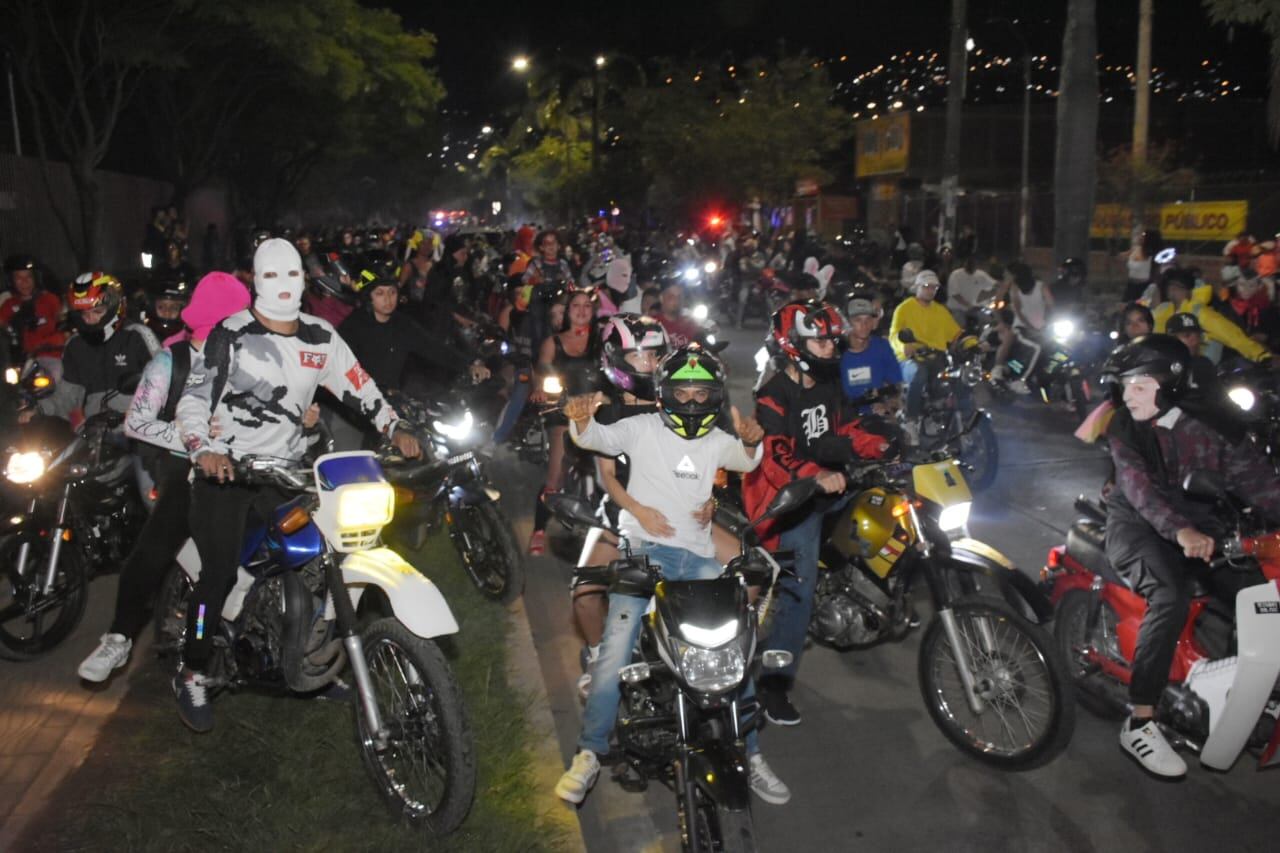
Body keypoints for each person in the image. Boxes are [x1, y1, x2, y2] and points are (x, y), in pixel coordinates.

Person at [172, 239, 420, 732]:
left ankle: (313, 661)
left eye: (292, 277)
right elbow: (193, 399)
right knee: (218, 571)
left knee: (324, 556)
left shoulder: (320, 336)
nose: (283, 287)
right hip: (227, 474)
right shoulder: (231, 333)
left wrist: (396, 427)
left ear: (304, 283)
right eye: (271, 277)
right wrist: (205, 449)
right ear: (256, 282)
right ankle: (193, 669)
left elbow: (359, 385)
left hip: (285, 471)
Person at [554, 345, 791, 807]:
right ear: (663, 393)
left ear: (715, 396)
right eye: (681, 391)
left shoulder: (716, 439)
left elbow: (746, 461)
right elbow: (592, 440)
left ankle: (751, 752)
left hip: (696, 557)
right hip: (643, 556)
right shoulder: (639, 428)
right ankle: (588, 752)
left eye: (701, 393)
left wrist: (748, 438)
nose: (691, 402)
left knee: (733, 647)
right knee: (613, 654)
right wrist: (581, 418)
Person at [1101, 334, 1280, 777]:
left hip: (1206, 531)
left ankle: (1256, 694)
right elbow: (1138, 488)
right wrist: (1179, 529)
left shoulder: (1215, 424)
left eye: (1139, 385)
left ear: (1170, 383)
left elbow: (1258, 483)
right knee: (1171, 597)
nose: (1128, 396)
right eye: (1124, 386)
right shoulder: (1125, 427)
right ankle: (1141, 718)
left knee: (1261, 596)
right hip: (1139, 526)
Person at [76, 272, 253, 682]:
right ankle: (119, 637)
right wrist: (196, 444)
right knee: (158, 541)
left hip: (246, 465)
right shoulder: (170, 360)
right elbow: (136, 422)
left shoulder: (248, 358)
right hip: (182, 466)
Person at [743, 302, 892, 725]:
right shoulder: (772, 394)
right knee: (798, 593)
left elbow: (843, 429)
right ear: (793, 344)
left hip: (831, 487)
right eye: (820, 339)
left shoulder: (828, 381)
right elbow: (776, 453)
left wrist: (880, 442)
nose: (830, 346)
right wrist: (815, 476)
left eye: (832, 338)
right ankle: (774, 684)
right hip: (789, 503)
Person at [527, 288, 600, 555]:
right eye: (575, 306)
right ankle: (539, 528)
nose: (581, 311)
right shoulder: (553, 342)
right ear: (567, 312)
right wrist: (541, 388)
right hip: (564, 411)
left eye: (587, 307)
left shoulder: (602, 341)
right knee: (555, 474)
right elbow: (542, 371)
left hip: (598, 409)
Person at [37, 273, 160, 422]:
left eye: (97, 311)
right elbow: (67, 395)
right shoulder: (76, 345)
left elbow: (163, 383)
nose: (90, 319)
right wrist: (40, 409)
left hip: (138, 429)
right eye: (84, 314)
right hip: (95, 431)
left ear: (114, 306)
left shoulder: (137, 336)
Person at [338, 276, 487, 394]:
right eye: (380, 293)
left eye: (392, 292)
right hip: (356, 399)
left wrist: (469, 365)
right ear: (369, 297)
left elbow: (433, 347)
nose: (388, 299)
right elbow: (341, 364)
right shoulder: (354, 325)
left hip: (391, 399)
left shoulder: (402, 324)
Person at [889, 270, 963, 424]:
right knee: (919, 373)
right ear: (917, 287)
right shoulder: (904, 308)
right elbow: (894, 335)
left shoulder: (940, 311)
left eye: (934, 288)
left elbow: (956, 333)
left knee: (958, 376)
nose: (931, 290)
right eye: (927, 286)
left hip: (937, 357)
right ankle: (911, 419)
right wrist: (905, 345)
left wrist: (973, 343)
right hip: (910, 360)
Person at [1152, 268, 1269, 365]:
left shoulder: (1200, 312)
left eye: (1177, 287)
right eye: (1170, 287)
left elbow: (1232, 335)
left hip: (1200, 370)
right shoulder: (1162, 311)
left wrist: (1261, 355)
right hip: (1168, 368)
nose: (1173, 290)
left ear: (1188, 290)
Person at [840, 290, 903, 415]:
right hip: (847, 417)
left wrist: (889, 403)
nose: (864, 325)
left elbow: (896, 383)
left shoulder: (881, 346)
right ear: (847, 323)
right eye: (858, 320)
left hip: (877, 414)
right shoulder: (836, 354)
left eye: (868, 319)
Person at [1, 254, 66, 361]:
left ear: (36, 278)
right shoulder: (9, 305)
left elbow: (64, 326)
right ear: (11, 281)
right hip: (23, 360)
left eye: (29, 276)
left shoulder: (49, 300)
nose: (25, 282)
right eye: (18, 278)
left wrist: (49, 342)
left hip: (50, 356)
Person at [945, 254, 998, 324]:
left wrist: (1001, 287)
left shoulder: (981, 275)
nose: (972, 265)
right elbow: (955, 294)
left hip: (975, 308)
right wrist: (968, 305)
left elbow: (995, 284)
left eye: (975, 263)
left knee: (989, 320)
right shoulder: (955, 275)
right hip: (957, 308)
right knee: (960, 323)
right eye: (970, 263)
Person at [653, 278, 702, 348]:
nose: (676, 300)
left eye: (679, 297)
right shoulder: (652, 324)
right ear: (661, 298)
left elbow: (697, 350)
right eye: (671, 297)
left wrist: (692, 359)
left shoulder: (690, 323)